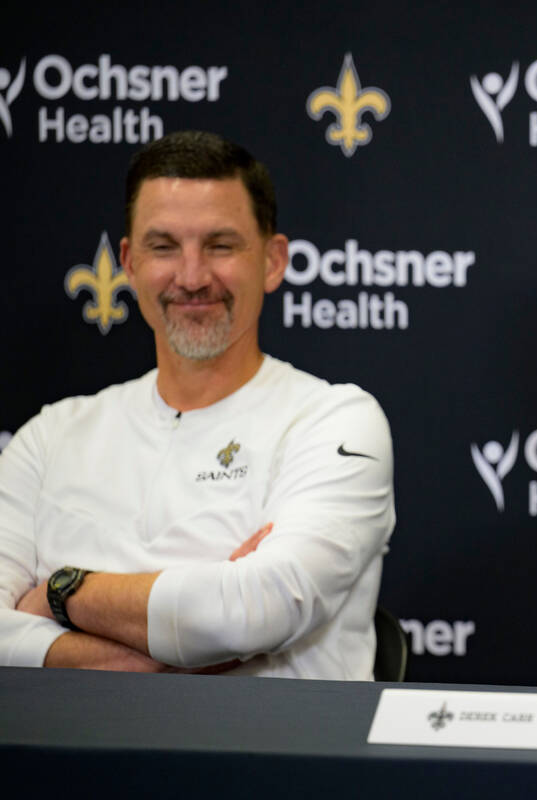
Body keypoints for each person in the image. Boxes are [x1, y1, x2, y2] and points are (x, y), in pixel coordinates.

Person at [0, 131, 395, 679]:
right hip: (54, 762)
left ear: (273, 261)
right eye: (164, 247)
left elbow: (257, 611)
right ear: (129, 264)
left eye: (220, 245)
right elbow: (227, 624)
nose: (191, 277)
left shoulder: (332, 420)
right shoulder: (49, 437)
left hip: (274, 763)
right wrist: (184, 638)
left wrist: (63, 594)